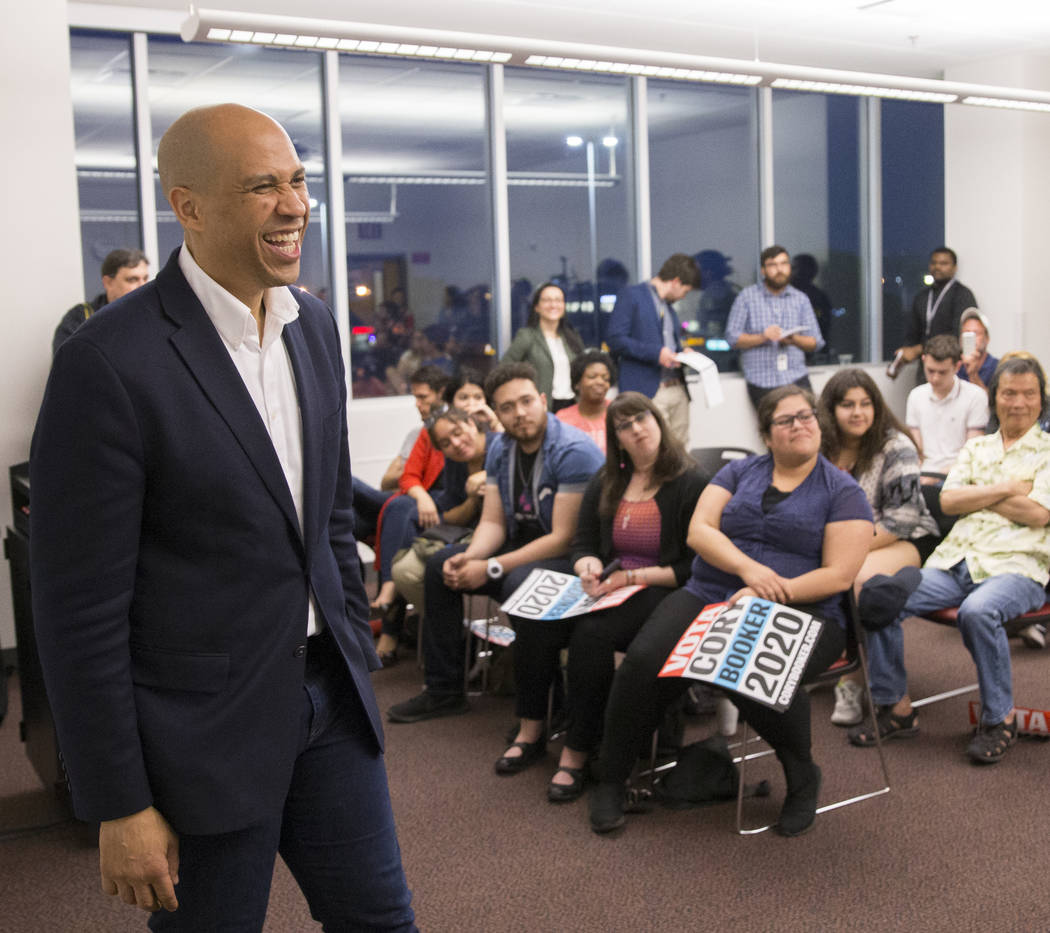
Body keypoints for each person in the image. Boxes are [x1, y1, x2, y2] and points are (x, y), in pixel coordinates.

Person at [30, 104, 415, 930]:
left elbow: (327, 524)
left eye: (299, 181)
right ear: (189, 206)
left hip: (330, 706)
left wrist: (352, 638)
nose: (295, 205)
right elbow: (77, 613)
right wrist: (119, 800)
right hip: (200, 733)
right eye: (263, 186)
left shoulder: (313, 326)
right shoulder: (109, 363)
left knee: (382, 919)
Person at [588, 386, 872, 837]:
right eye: (787, 420)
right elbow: (700, 532)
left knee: (744, 670)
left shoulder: (842, 491)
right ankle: (611, 778)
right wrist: (748, 571)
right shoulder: (739, 472)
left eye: (807, 416)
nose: (801, 424)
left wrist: (767, 593)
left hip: (806, 609)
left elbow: (839, 576)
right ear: (766, 434)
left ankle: (802, 775)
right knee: (643, 663)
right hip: (712, 591)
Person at [498, 393, 704, 801]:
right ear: (616, 438)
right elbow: (583, 543)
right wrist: (587, 566)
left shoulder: (691, 481)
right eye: (624, 426)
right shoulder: (609, 479)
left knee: (590, 635)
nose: (636, 430)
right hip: (609, 583)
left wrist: (631, 577)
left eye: (641, 419)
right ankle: (531, 729)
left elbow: (691, 567)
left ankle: (576, 752)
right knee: (534, 615)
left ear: (658, 420)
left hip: (662, 587)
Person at [850, 355, 1050, 764]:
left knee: (977, 612)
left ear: (1040, 399)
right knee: (879, 595)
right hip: (956, 563)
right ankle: (897, 709)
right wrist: (1009, 489)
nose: (1018, 402)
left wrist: (981, 495)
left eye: (1029, 393)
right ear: (995, 397)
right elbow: (949, 500)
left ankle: (999, 720)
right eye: (1009, 393)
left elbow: (1039, 514)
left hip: (1018, 568)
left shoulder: (1048, 451)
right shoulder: (977, 446)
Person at [386, 361, 604, 723]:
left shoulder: (572, 451)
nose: (518, 414)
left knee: (521, 581)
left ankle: (548, 703)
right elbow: (492, 520)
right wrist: (469, 558)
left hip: (573, 558)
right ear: (496, 413)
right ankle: (445, 690)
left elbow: (563, 539)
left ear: (543, 399)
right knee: (442, 565)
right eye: (507, 407)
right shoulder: (502, 448)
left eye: (526, 402)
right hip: (523, 545)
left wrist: (491, 567)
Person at [817, 369, 940, 726]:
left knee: (857, 579)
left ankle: (852, 678)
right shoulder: (822, 449)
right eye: (847, 405)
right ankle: (823, 658)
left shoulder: (895, 447)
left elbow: (902, 518)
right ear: (830, 410)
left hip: (906, 537)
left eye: (866, 404)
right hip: (844, 542)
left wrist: (843, 551)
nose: (858, 413)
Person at [374, 368, 498, 660]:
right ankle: (456, 636)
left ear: (472, 422)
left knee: (402, 511)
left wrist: (487, 478)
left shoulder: (500, 447)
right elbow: (452, 515)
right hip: (459, 530)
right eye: (445, 443)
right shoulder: (453, 459)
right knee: (404, 556)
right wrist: (469, 499)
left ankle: (444, 646)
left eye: (458, 433)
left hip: (495, 538)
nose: (455, 443)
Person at [606, 253, 701, 446]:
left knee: (681, 452)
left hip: (677, 388)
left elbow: (668, 343)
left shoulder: (669, 308)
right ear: (675, 281)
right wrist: (655, 353)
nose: (684, 296)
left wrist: (683, 353)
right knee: (653, 451)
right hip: (649, 391)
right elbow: (615, 339)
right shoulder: (632, 296)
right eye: (685, 291)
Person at [726, 245, 824, 411]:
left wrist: (794, 340)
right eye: (773, 265)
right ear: (763, 270)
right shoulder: (746, 297)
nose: (779, 269)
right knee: (773, 432)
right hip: (761, 381)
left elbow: (816, 343)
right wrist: (764, 337)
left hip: (796, 377)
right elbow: (732, 338)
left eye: (784, 263)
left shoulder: (800, 299)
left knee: (809, 426)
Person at [905, 335, 987, 482]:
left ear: (957, 367)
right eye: (930, 371)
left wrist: (937, 477)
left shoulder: (975, 396)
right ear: (923, 360)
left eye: (942, 372)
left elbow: (972, 454)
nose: (935, 378)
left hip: (960, 475)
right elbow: (916, 450)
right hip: (924, 474)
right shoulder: (916, 396)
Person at [891, 247, 978, 380]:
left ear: (954, 268)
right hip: (925, 367)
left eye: (943, 263)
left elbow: (958, 336)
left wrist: (917, 350)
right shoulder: (922, 296)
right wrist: (904, 355)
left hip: (951, 367)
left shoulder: (963, 295)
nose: (937, 267)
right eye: (934, 263)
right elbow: (913, 333)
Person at [501, 281, 584, 412]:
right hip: (542, 407)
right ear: (536, 307)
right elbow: (504, 369)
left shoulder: (572, 337)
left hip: (573, 405)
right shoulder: (527, 336)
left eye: (558, 300)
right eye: (547, 300)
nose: (553, 305)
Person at [53, 247, 150, 355]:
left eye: (145, 279)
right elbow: (66, 365)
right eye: (132, 279)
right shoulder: (81, 318)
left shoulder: (153, 317)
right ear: (108, 282)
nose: (143, 286)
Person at [379, 364, 450, 490]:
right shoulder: (416, 434)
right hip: (406, 493)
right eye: (415, 397)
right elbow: (386, 483)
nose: (417, 404)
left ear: (441, 393)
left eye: (423, 397)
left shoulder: (455, 431)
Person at [555, 349, 616, 453]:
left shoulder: (618, 413)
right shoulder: (562, 420)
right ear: (577, 383)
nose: (600, 382)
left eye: (605, 378)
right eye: (592, 377)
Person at [958, 307, 999, 390]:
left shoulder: (997, 367)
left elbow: (991, 402)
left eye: (976, 333)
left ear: (987, 338)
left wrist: (973, 375)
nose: (971, 338)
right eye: (967, 333)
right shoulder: (954, 366)